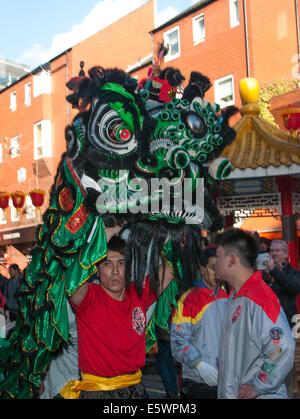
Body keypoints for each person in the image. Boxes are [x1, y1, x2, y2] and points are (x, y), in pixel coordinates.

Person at [69, 225, 174, 399]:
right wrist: (105, 235)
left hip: (136, 390)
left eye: (121, 263)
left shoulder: (139, 293)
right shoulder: (89, 297)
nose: (115, 271)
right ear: (97, 269)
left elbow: (170, 270)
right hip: (98, 392)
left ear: (130, 268)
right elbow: (73, 280)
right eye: (107, 264)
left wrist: (167, 234)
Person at [216, 228, 295, 399]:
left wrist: (259, 386)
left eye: (218, 256)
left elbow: (283, 347)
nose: (215, 262)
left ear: (231, 260)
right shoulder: (234, 296)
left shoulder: (260, 297)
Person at [170, 247, 228, 399]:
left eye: (219, 268)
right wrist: (199, 365)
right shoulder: (188, 299)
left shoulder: (225, 295)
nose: (216, 274)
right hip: (197, 382)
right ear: (202, 269)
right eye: (212, 268)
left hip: (223, 381)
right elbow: (177, 341)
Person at [155, 314, 179, 399]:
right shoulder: (172, 301)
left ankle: (170, 391)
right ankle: (174, 391)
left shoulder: (162, 302)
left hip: (163, 337)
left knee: (161, 365)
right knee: (170, 364)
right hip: (171, 336)